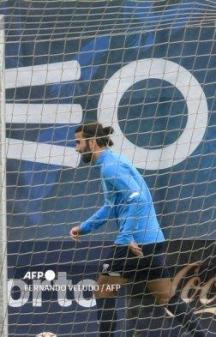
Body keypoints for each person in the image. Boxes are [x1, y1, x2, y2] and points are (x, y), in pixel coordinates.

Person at [69, 122, 205, 337]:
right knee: (167, 297)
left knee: (104, 291)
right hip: (151, 241)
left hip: (133, 244)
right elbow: (111, 206)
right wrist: (85, 227)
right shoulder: (113, 161)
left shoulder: (110, 167)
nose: (76, 148)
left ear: (92, 142)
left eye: (78, 142)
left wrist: (126, 237)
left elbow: (138, 199)